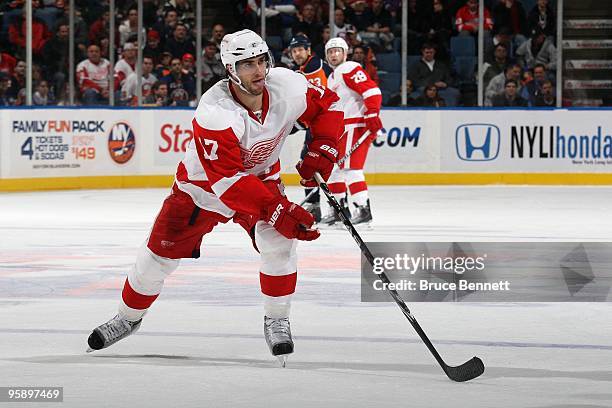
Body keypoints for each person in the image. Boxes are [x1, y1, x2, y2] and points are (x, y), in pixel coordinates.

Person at [86, 29, 344, 363]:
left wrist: (324, 148)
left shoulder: (288, 85)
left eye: (261, 61)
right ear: (230, 69)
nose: (258, 71)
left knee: (279, 244)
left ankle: (277, 317)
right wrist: (278, 208)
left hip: (260, 181)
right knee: (155, 261)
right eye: (246, 64)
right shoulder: (214, 110)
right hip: (201, 190)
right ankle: (128, 317)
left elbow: (329, 106)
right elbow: (227, 180)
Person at [321, 37, 382, 227]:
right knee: (335, 171)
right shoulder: (331, 78)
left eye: (337, 51)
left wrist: (371, 114)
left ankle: (363, 210)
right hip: (341, 129)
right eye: (330, 52)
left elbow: (372, 91)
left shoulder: (349, 68)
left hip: (355, 126)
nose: (334, 54)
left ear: (345, 53)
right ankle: (340, 211)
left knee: (351, 169)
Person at [289, 34, 334, 222]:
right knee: (315, 162)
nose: (297, 53)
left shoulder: (314, 66)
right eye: (294, 50)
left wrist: (295, 124)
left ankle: (315, 205)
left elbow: (314, 104)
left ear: (308, 50)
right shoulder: (304, 68)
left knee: (310, 162)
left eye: (300, 49)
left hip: (325, 123)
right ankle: (334, 205)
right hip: (322, 122)